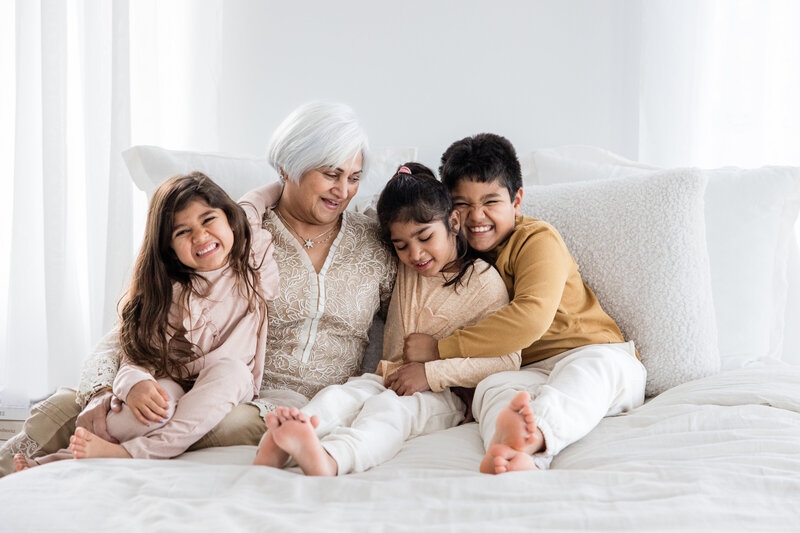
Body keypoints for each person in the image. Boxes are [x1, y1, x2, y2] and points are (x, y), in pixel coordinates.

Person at [0, 102, 395, 476]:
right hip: (193, 381)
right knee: (66, 405)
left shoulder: (377, 241)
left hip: (282, 409)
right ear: (288, 167)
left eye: (354, 178)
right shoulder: (234, 233)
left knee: (209, 416)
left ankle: (103, 452)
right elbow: (146, 319)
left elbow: (417, 308)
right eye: (330, 174)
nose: (343, 190)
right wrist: (109, 387)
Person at [252, 163, 520, 476]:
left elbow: (507, 360)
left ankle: (332, 459)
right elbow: (371, 214)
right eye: (402, 245)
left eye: (425, 237)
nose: (416, 254)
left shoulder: (484, 282)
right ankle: (281, 442)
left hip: (444, 395)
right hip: (386, 378)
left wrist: (430, 374)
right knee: (339, 397)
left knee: (388, 412)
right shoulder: (404, 265)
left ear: (454, 221)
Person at [402, 133, 647, 474]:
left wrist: (440, 350)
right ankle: (507, 451)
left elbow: (531, 317)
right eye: (462, 204)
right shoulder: (454, 258)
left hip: (595, 352)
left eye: (490, 202)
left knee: (585, 377)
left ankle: (533, 441)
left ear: (516, 201)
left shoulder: (536, 239)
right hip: (525, 371)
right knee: (492, 389)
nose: (476, 217)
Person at [13, 172, 278, 469]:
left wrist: (287, 179)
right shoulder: (168, 293)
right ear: (169, 249)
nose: (201, 236)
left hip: (224, 383)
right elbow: (136, 355)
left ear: (230, 218)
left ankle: (126, 454)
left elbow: (256, 201)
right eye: (182, 232)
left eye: (208, 220)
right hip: (174, 379)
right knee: (153, 410)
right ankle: (58, 460)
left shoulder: (252, 260)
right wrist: (135, 385)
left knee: (233, 373)